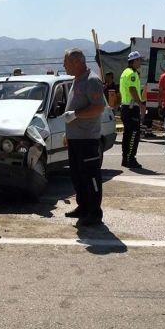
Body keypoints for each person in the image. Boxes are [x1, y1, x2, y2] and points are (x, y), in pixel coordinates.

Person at [62, 48, 106, 226]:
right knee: (77, 176)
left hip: (87, 139)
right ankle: (83, 207)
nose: (64, 66)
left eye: (66, 62)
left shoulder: (91, 80)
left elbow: (98, 107)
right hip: (76, 138)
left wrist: (76, 115)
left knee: (91, 176)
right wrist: (68, 131)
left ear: (76, 62)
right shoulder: (77, 80)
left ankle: (95, 212)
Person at [119, 52, 145, 168]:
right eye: (139, 60)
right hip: (131, 108)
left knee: (127, 134)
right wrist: (140, 104)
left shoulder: (125, 72)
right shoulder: (132, 74)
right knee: (134, 134)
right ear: (134, 61)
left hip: (125, 107)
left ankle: (125, 158)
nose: (141, 62)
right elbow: (132, 89)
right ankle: (130, 158)